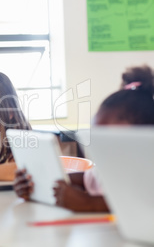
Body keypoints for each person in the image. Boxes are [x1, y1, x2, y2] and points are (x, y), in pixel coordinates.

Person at [14, 65, 154, 212]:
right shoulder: (108, 170)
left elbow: (140, 204)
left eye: (108, 140)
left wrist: (90, 203)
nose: (99, 147)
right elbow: (83, 179)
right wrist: (35, 184)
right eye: (95, 137)